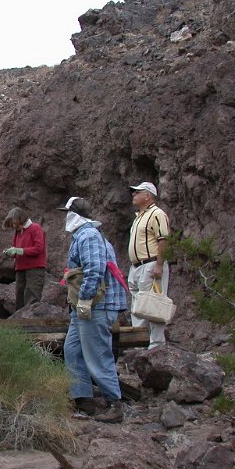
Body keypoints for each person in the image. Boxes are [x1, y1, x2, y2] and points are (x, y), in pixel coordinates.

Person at [58, 197, 128, 423]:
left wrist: (85, 299)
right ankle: (83, 399)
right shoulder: (84, 235)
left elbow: (94, 268)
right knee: (73, 350)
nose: (65, 217)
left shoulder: (88, 235)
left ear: (75, 214)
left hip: (96, 306)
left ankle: (114, 403)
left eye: (67, 213)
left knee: (97, 354)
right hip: (85, 307)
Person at [127, 181, 171, 349]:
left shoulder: (157, 214)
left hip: (151, 264)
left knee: (154, 305)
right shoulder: (139, 216)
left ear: (148, 195)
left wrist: (159, 264)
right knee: (138, 306)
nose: (133, 194)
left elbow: (163, 239)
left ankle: (156, 346)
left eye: (137, 192)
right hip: (137, 266)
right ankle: (139, 345)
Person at [2, 207, 47, 310]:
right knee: (19, 298)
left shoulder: (35, 228)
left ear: (19, 219)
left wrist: (19, 250)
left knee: (32, 298)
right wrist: (11, 252)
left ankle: (31, 319)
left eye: (13, 223)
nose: (13, 226)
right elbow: (16, 248)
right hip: (20, 269)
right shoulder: (18, 232)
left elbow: (38, 248)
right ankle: (19, 319)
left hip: (35, 269)